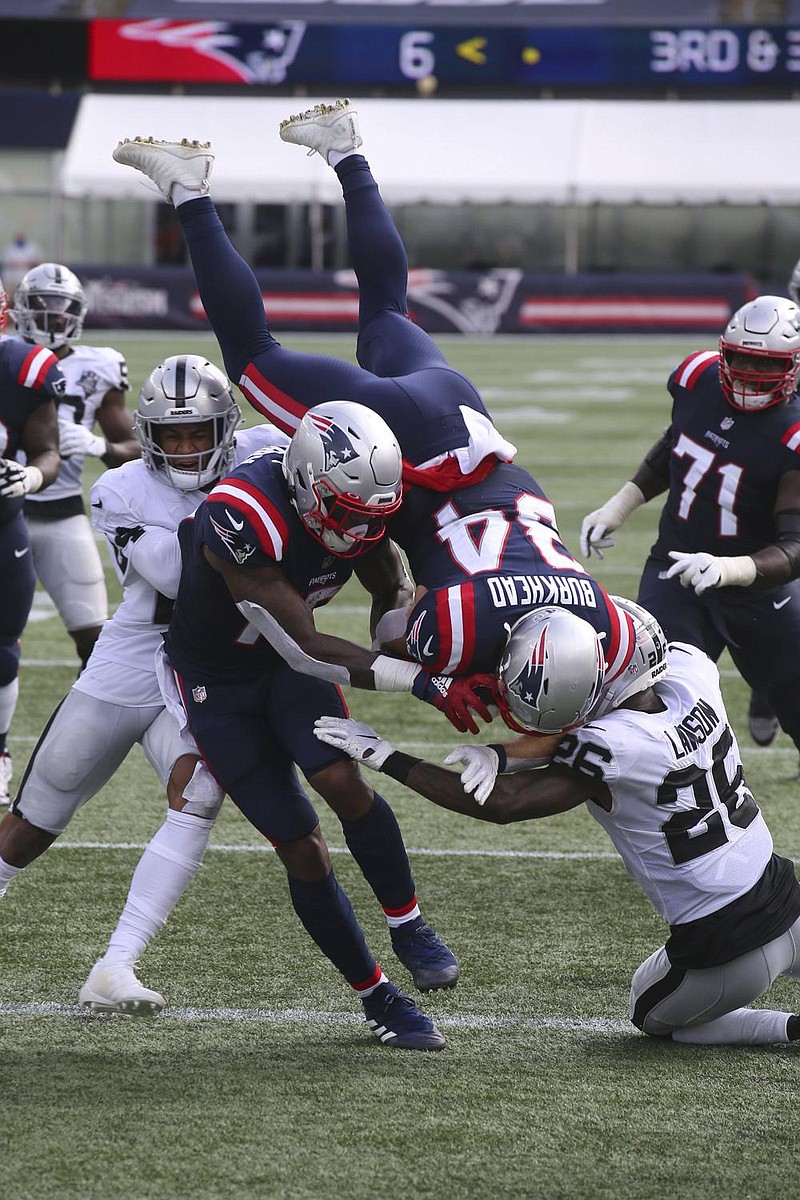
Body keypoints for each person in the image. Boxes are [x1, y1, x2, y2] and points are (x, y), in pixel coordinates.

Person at [111, 102, 637, 703]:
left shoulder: (594, 611)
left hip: (463, 414)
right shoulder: (458, 631)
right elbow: (389, 631)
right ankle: (187, 190)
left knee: (388, 311)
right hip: (409, 448)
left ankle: (347, 154)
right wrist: (443, 679)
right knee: (252, 357)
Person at [146, 395, 482, 1051]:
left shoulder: (355, 506)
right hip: (220, 678)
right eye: (343, 515)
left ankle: (408, 921)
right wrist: (423, 682)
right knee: (300, 841)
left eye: (368, 519)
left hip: (287, 668)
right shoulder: (241, 515)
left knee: (344, 782)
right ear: (304, 482)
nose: (354, 532)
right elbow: (303, 645)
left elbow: (392, 592)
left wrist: (404, 637)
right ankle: (376, 995)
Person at [315, 601, 800, 1047]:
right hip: (783, 890)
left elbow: (505, 803)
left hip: (728, 947)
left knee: (648, 1014)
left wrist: (387, 756)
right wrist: (502, 755)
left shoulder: (615, 747)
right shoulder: (695, 673)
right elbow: (589, 734)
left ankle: (787, 1030)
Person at [0, 356, 275, 1005]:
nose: (184, 449)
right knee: (39, 815)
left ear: (226, 428)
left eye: (197, 434)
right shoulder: (121, 488)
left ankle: (115, 965)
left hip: (203, 665)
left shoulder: (266, 451)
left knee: (201, 795)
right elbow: (183, 579)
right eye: (171, 436)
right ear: (149, 437)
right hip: (133, 655)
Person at [580, 293, 800, 769]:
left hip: (761, 591)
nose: (746, 372)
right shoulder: (696, 377)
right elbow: (677, 443)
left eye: (764, 364)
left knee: (793, 696)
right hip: (676, 569)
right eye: (739, 357)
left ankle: (766, 694)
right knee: (652, 704)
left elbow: (796, 547)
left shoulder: (793, 432)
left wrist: (731, 568)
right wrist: (621, 504)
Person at [13, 262, 140, 670]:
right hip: (5, 507)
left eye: (59, 307)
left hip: (62, 512)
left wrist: (99, 444)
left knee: (95, 638)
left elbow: (142, 450)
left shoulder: (99, 365)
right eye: (40, 306)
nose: (51, 316)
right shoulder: (7, 356)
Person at [0, 276, 65, 804]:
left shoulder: (20, 370)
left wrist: (32, 478)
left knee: (2, 651)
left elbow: (47, 449)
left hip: (2, 525)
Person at [2, 231, 40, 300]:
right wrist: (23, 263)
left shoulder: (31, 248)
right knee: (9, 298)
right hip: (11, 279)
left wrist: (20, 263)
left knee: (23, 299)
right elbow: (11, 262)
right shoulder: (10, 248)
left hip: (25, 279)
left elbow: (34, 262)